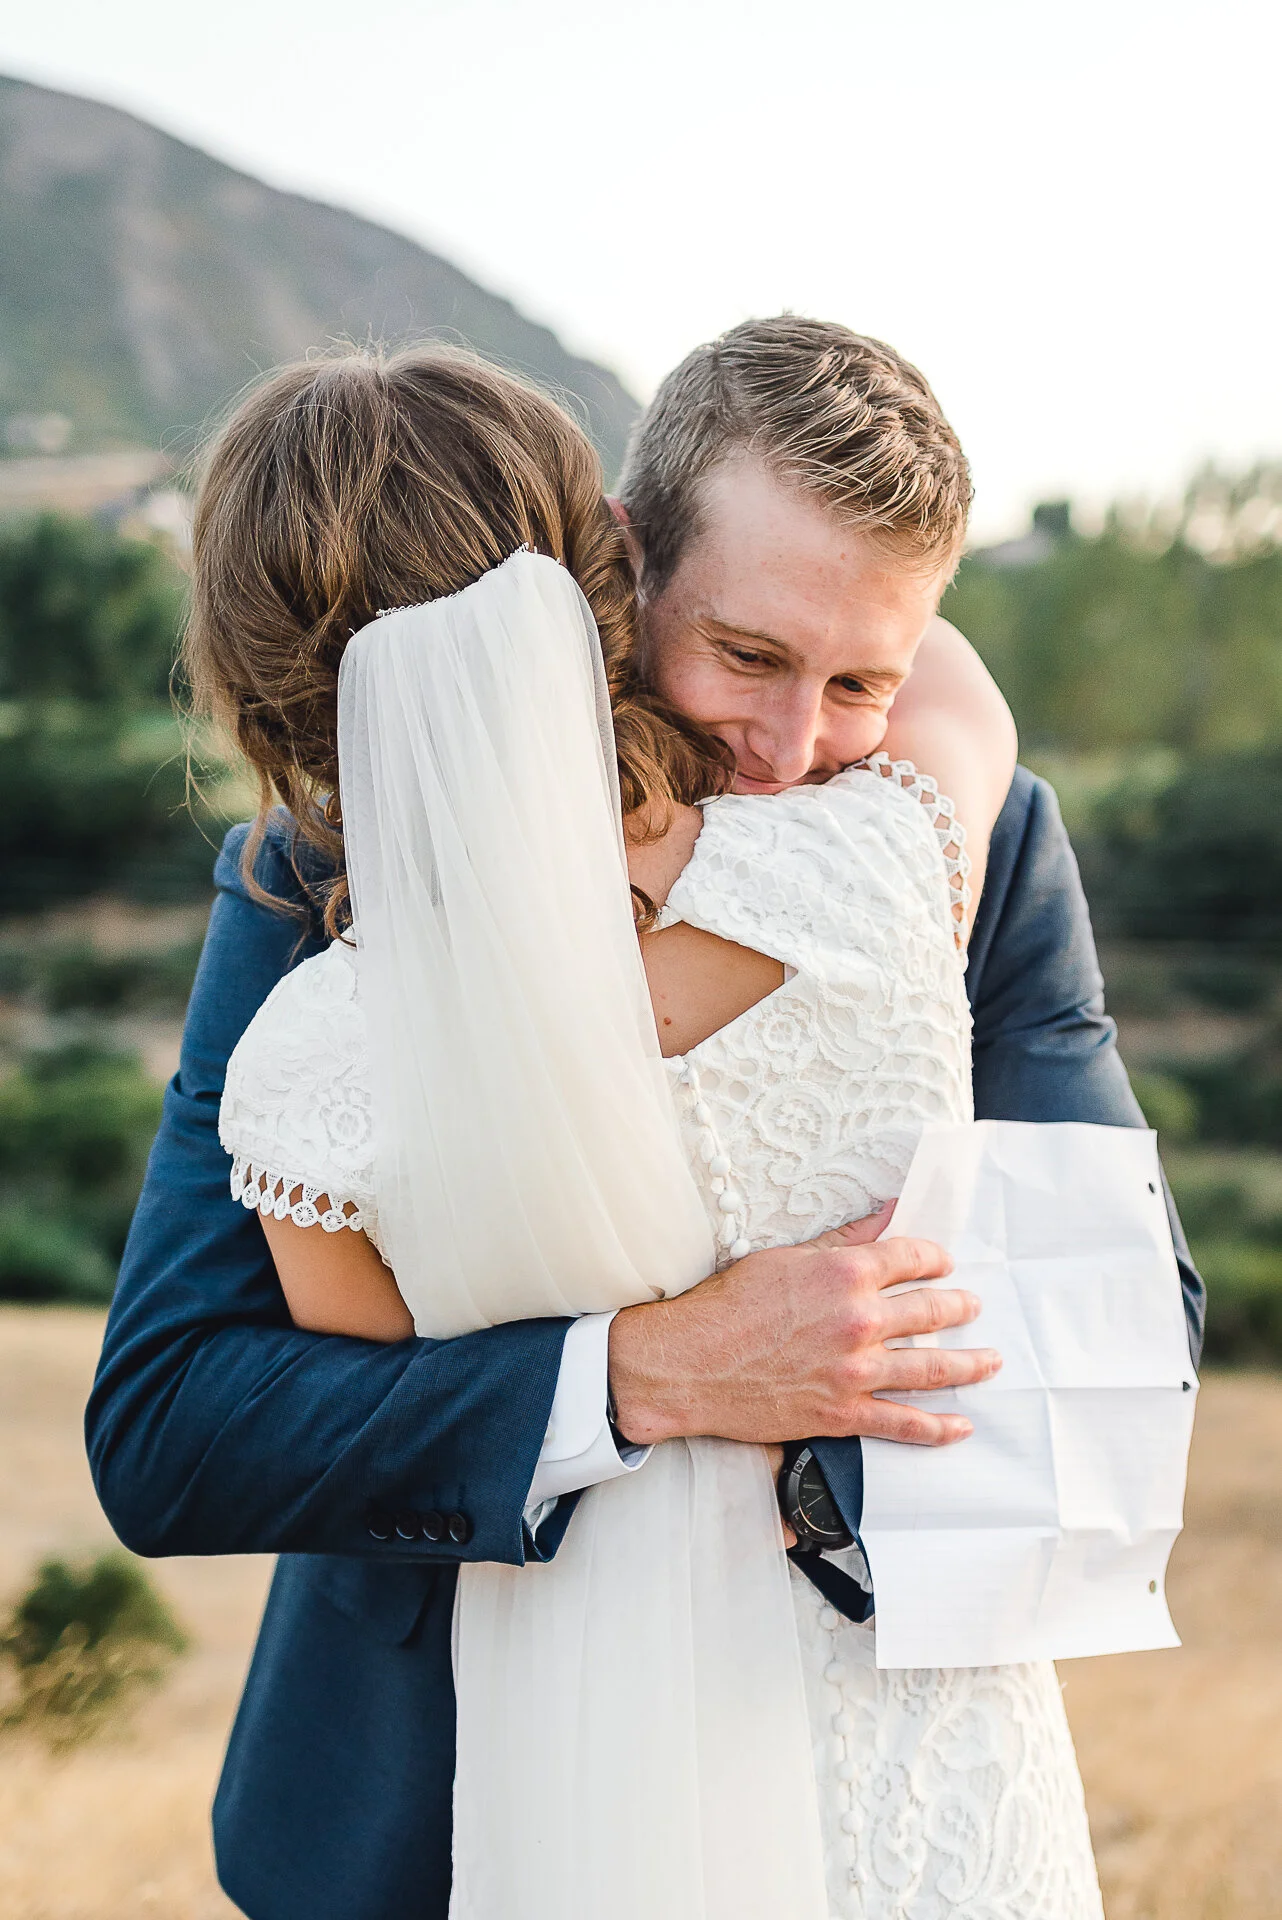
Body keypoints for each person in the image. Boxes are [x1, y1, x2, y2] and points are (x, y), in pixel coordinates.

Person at [85, 325, 1204, 1920]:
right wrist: (636, 1372)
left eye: (862, 680)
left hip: (875, 1768)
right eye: (745, 656)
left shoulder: (969, 840)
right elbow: (173, 1424)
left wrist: (820, 1401)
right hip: (426, 1804)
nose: (793, 747)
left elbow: (1126, 1313)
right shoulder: (323, 864)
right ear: (619, 567)